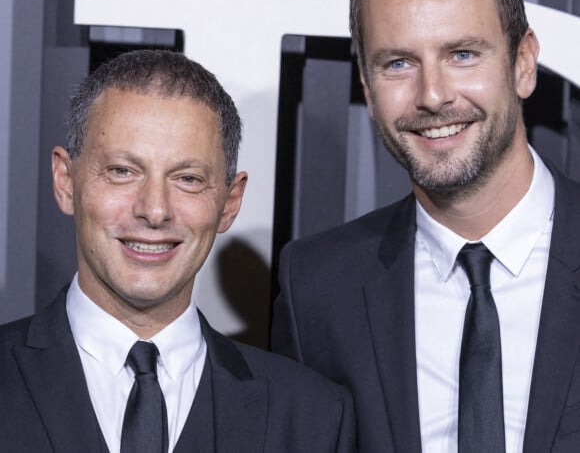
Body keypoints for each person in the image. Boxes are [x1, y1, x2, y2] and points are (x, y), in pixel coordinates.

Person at [271, 0, 580, 453]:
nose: (432, 96)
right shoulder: (317, 290)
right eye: (398, 64)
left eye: (462, 54)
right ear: (368, 90)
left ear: (524, 64)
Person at [0, 50, 355, 452]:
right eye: (122, 172)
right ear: (66, 181)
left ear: (230, 202)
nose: (154, 210)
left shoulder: (312, 419)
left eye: (187, 178)